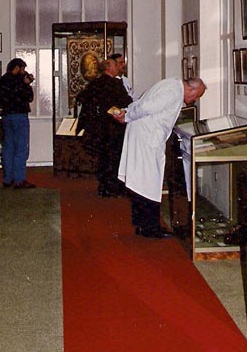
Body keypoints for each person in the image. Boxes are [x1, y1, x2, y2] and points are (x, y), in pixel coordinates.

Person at [115, 76, 206, 238]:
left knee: (143, 182)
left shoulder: (172, 84)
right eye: (197, 96)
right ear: (191, 89)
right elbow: (146, 107)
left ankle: (143, 224)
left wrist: (126, 112)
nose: (195, 100)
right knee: (149, 184)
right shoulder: (173, 91)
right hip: (147, 137)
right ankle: (151, 227)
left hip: (145, 135)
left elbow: (142, 103)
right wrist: (126, 116)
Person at [76, 58, 133, 197]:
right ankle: (112, 187)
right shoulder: (114, 84)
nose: (118, 67)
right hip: (113, 126)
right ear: (109, 68)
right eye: (115, 65)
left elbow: (82, 98)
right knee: (114, 158)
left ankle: (104, 187)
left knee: (103, 158)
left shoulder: (95, 83)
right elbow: (126, 102)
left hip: (98, 127)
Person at [0, 58, 36, 190]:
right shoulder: (20, 82)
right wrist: (26, 84)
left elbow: (4, 98)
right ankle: (19, 179)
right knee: (21, 148)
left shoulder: (2, 80)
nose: (24, 71)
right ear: (17, 68)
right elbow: (28, 97)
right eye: (23, 69)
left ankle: (8, 178)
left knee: (8, 148)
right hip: (19, 115)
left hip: (7, 116)